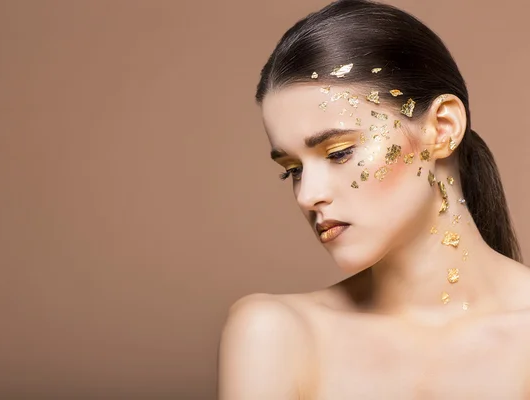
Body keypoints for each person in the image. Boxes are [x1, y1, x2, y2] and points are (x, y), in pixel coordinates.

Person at [217, 0, 530, 398]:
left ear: (442, 128)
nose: (308, 196)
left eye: (338, 153)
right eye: (292, 169)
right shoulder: (276, 334)